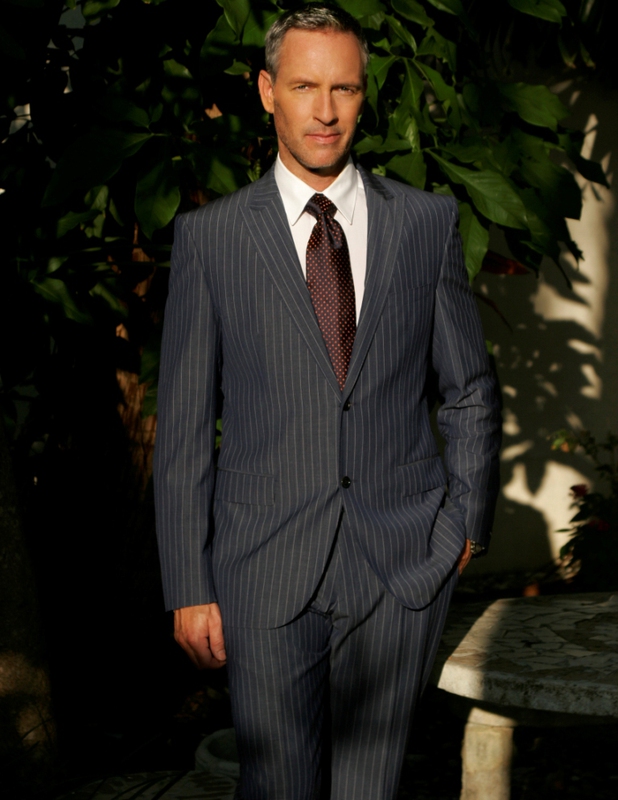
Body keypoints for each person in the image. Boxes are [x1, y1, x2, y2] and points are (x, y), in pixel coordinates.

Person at [154, 4, 501, 799]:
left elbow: (469, 390)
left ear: (363, 93)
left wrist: (463, 524)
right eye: (305, 86)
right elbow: (183, 431)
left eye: (343, 87)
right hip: (263, 567)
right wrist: (188, 585)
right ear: (266, 90)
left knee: (370, 788)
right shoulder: (211, 240)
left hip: (400, 563)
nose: (325, 110)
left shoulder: (425, 223)